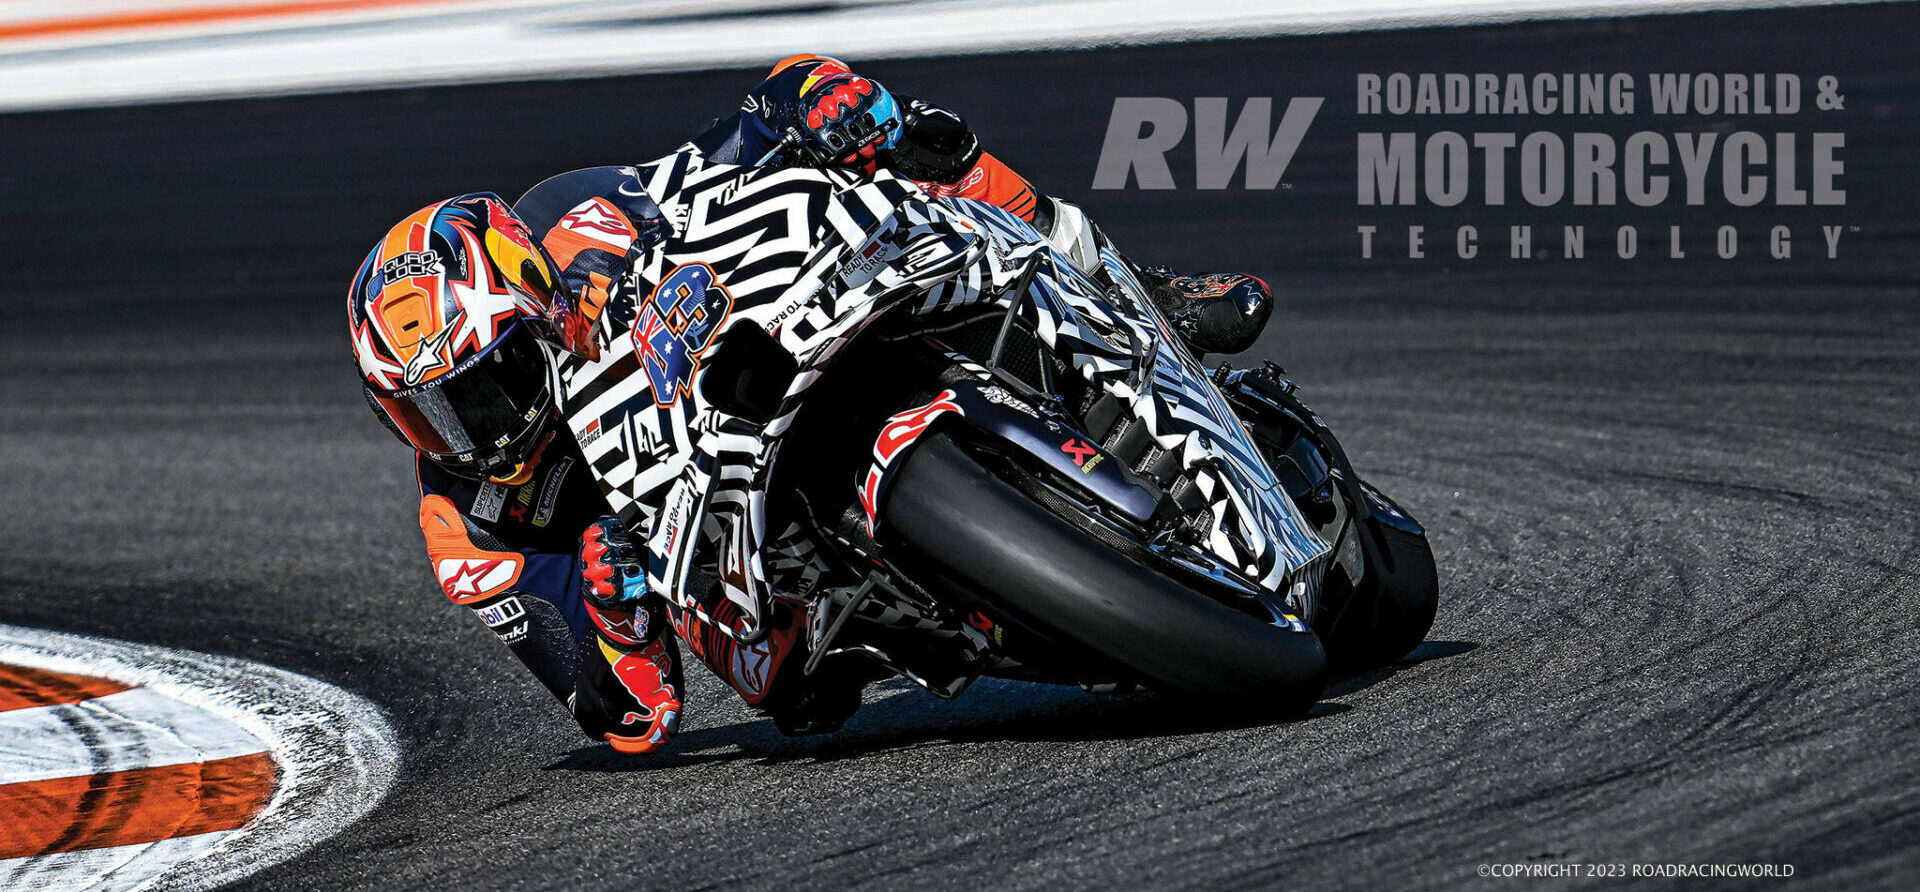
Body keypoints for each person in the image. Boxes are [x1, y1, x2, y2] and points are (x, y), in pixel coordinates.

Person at [350, 58, 1284, 757]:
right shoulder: (466, 529)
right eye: (430, 416)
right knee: (790, 694)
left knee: (920, 145)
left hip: (756, 358)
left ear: (530, 297)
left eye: (485, 386)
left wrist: (815, 98)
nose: (477, 431)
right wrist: (617, 613)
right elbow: (626, 715)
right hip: (727, 567)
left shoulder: (569, 226)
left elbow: (712, 158)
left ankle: (1131, 288)